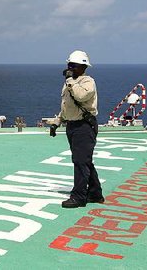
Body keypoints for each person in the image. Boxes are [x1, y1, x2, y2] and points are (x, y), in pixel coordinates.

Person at [49, 50, 104, 208]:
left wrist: (70, 81)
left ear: (83, 67)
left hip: (84, 126)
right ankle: (95, 193)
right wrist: (57, 122)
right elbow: (67, 106)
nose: (70, 68)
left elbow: (80, 97)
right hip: (72, 126)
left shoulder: (87, 82)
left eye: (73, 65)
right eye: (69, 65)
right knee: (84, 161)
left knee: (80, 162)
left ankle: (79, 197)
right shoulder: (69, 83)